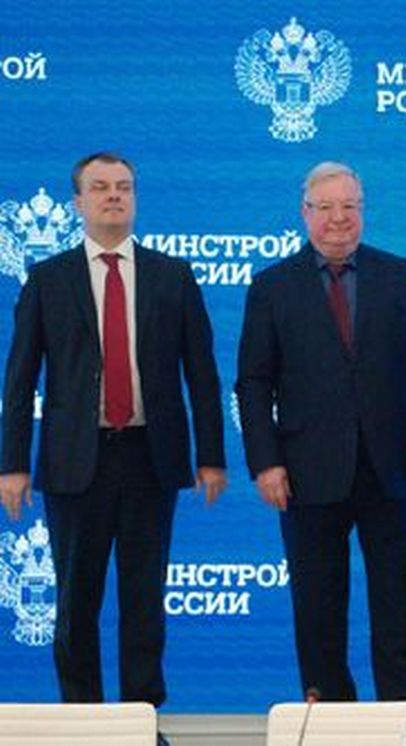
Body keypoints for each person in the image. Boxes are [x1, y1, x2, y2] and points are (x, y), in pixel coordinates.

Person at [0, 153, 226, 744]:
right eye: (99, 188)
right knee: (77, 601)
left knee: (144, 599)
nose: (113, 196)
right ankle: (83, 722)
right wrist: (13, 464)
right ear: (78, 202)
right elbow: (20, 380)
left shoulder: (172, 275)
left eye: (123, 187)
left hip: (151, 456)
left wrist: (210, 456)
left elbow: (201, 374)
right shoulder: (48, 279)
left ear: (135, 198)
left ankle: (140, 721)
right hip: (75, 459)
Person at [235, 162, 406, 702]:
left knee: (395, 603)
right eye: (325, 207)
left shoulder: (401, 276)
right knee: (317, 606)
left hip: (392, 469)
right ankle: (329, 715)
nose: (338, 218)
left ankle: (403, 717)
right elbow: (254, 383)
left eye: (349, 206)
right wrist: (265, 462)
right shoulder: (271, 286)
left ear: (363, 211)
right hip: (305, 473)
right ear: (304, 213)